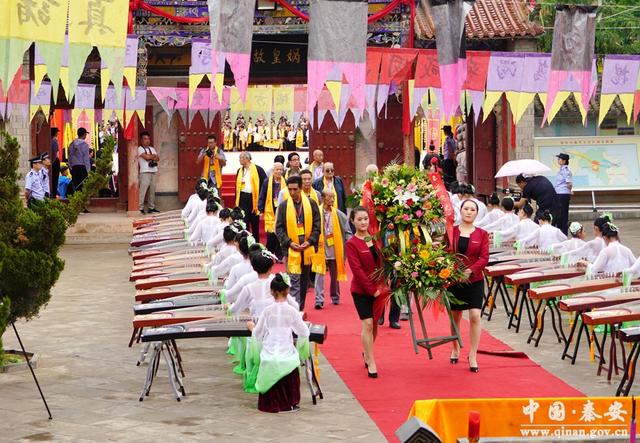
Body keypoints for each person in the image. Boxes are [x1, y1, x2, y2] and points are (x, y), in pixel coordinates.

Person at [248, 273, 310, 413]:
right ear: (288, 290)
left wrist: (251, 327)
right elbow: (304, 332)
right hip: (286, 350)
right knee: (291, 358)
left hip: (269, 351)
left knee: (270, 356)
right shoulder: (292, 311)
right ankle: (289, 403)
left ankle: (270, 401)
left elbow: (258, 334)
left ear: (271, 292)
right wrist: (298, 345)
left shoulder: (267, 311)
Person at [448, 199, 489, 373]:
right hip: (455, 280)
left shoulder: (482, 234)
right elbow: (445, 251)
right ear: (461, 210)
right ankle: (455, 347)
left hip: (475, 280)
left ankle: (473, 354)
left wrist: (471, 271)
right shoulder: (452, 232)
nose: (469, 212)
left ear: (476, 213)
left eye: (473, 209)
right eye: (466, 208)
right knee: (456, 315)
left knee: (474, 316)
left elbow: (484, 258)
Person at [346, 206, 386, 378]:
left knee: (375, 323)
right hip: (362, 291)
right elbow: (357, 270)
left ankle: (366, 352)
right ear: (353, 221)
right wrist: (372, 290)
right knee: (367, 323)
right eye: (359, 219)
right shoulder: (351, 244)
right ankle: (371, 360)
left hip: (380, 289)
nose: (363, 222)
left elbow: (383, 261)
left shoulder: (374, 239)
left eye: (365, 219)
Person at [275, 175, 321, 312]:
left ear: (301, 188)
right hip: (291, 249)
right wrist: (289, 243)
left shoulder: (311, 203)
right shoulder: (283, 206)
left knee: (303, 282)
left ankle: (299, 309)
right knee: (293, 281)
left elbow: (317, 226)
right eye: (290, 189)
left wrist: (310, 241)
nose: (292, 192)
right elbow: (279, 228)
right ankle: (294, 311)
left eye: (295, 189)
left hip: (306, 249)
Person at [314, 188, 352, 309]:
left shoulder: (339, 214)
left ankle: (335, 296)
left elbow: (348, 231)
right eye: (330, 197)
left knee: (334, 274)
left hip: (335, 247)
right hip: (320, 248)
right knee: (319, 274)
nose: (332, 199)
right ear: (323, 198)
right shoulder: (316, 212)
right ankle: (319, 299)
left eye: (333, 197)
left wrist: (350, 242)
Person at [235, 152, 267, 242]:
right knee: (244, 221)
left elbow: (265, 184)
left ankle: (256, 242)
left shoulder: (258, 169)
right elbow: (236, 187)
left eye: (241, 158)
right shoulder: (240, 171)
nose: (239, 160)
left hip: (254, 198)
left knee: (255, 223)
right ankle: (246, 241)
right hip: (243, 198)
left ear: (247, 159)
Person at [259, 162, 286, 260]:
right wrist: (261, 209)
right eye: (277, 169)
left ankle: (278, 254)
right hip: (270, 208)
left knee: (279, 231)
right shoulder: (267, 182)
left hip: (281, 209)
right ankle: (270, 252)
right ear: (273, 171)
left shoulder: (285, 182)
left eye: (280, 170)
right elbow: (262, 195)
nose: (279, 171)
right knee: (271, 233)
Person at [138, 131, 160, 215]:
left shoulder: (152, 148)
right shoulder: (139, 149)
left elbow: (158, 158)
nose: (147, 140)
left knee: (152, 191)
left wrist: (152, 157)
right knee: (142, 191)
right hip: (144, 172)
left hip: (153, 171)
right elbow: (146, 157)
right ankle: (140, 208)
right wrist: (153, 157)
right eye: (145, 139)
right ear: (141, 140)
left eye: (148, 139)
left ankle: (151, 208)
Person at [68, 127, 91, 193]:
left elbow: (70, 156)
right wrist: (88, 170)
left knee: (75, 185)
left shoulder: (71, 144)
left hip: (74, 167)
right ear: (84, 135)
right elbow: (86, 158)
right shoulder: (85, 145)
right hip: (82, 167)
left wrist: (70, 166)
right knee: (82, 185)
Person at [554, 153, 572, 235]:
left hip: (563, 194)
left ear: (564, 161)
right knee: (559, 214)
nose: (558, 160)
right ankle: (560, 231)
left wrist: (569, 191)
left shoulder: (566, 171)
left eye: (560, 159)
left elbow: (569, 183)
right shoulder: (561, 170)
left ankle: (563, 233)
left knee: (563, 214)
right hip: (559, 193)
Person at [50, 127, 61, 198]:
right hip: (55, 161)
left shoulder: (49, 140)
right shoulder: (54, 140)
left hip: (52, 160)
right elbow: (56, 152)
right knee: (55, 178)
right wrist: (53, 161)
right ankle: (54, 194)